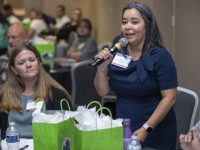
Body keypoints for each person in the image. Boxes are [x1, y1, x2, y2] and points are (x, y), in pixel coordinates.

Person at [94, 2, 178, 150]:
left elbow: (170, 98)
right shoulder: (119, 54)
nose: (128, 27)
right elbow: (103, 92)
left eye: (135, 22)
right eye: (124, 22)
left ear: (147, 25)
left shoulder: (160, 57)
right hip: (123, 129)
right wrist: (101, 69)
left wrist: (147, 128)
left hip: (154, 132)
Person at [0, 44, 72, 139]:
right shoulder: (5, 95)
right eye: (21, 63)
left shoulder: (56, 94)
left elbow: (68, 132)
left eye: (32, 60)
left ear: (38, 62)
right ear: (14, 70)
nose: (28, 65)